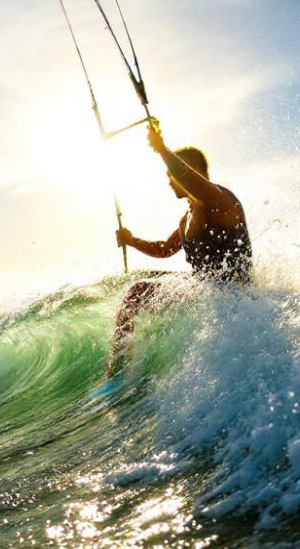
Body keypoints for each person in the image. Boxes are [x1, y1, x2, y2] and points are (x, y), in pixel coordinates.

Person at [108, 124, 252, 376]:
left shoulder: (219, 200)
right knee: (137, 291)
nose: (170, 181)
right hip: (204, 289)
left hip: (234, 295)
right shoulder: (186, 218)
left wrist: (162, 149)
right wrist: (132, 241)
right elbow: (165, 249)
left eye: (171, 174)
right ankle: (119, 371)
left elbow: (185, 175)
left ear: (195, 172)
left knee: (140, 290)